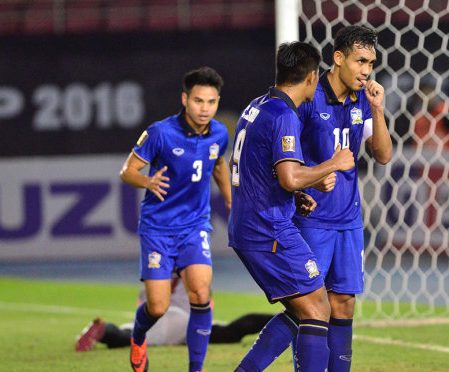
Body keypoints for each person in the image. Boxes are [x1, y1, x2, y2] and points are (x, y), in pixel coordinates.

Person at [227, 41, 355, 372]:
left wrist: (297, 194)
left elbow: (256, 167)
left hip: (249, 224)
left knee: (306, 308)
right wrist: (332, 164)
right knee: (317, 309)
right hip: (267, 229)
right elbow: (289, 176)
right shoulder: (285, 115)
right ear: (312, 77)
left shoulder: (256, 107)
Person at [293, 25, 393, 372]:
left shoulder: (363, 100)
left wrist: (378, 109)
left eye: (371, 63)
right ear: (338, 58)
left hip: (348, 219)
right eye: (360, 61)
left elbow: (382, 154)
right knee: (307, 307)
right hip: (311, 217)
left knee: (344, 304)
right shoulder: (309, 96)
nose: (366, 70)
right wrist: (314, 176)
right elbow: (284, 153)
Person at [119, 66, 230, 372]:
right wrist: (147, 182)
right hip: (158, 231)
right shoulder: (160, 133)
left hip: (195, 227)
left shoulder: (220, 133)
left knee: (201, 293)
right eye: (198, 101)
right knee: (158, 307)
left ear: (217, 102)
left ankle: (196, 367)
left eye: (211, 102)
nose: (204, 108)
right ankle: (138, 336)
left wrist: (233, 202)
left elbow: (219, 165)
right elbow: (127, 170)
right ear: (185, 99)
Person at [74, 278, 272, 351]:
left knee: (126, 336)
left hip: (154, 316)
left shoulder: (154, 271)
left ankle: (101, 327)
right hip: (184, 320)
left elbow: (143, 301)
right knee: (230, 332)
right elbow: (205, 299)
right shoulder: (194, 268)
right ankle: (284, 319)